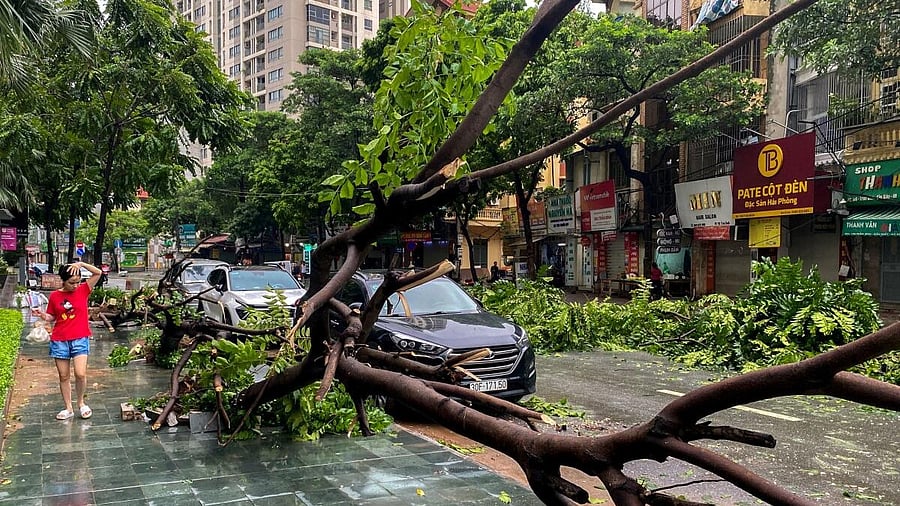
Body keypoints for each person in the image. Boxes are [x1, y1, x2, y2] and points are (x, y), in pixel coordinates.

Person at [31, 261, 102, 420]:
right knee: (63, 376)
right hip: (60, 340)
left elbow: (98, 273)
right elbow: (52, 316)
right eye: (72, 282)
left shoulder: (84, 289)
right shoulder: (55, 295)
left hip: (80, 338)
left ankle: (81, 403)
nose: (76, 285)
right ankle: (68, 408)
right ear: (63, 280)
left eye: (78, 281)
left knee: (80, 373)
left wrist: (81, 264)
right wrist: (42, 315)